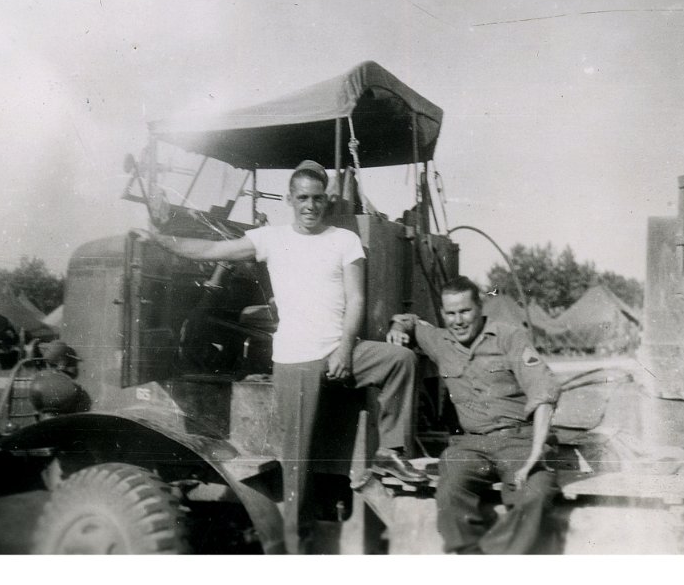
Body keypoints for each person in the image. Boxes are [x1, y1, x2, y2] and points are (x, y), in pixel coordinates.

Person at [134, 159, 427, 553]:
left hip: (341, 350)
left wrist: (345, 348)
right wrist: (161, 240)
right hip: (296, 360)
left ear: (327, 201)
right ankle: (295, 551)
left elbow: (357, 298)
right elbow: (212, 248)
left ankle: (391, 452)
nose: (310, 206)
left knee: (401, 361)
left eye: (318, 198)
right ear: (289, 200)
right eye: (303, 198)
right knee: (297, 468)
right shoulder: (270, 238)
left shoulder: (345, 240)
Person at [387, 275, 561, 555]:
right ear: (443, 314)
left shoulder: (508, 337)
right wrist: (398, 326)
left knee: (535, 494)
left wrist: (534, 456)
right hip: (471, 446)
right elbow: (412, 322)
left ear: (480, 308)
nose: (458, 321)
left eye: (465, 311)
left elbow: (544, 394)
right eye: (451, 314)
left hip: (520, 440)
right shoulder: (441, 340)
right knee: (449, 492)